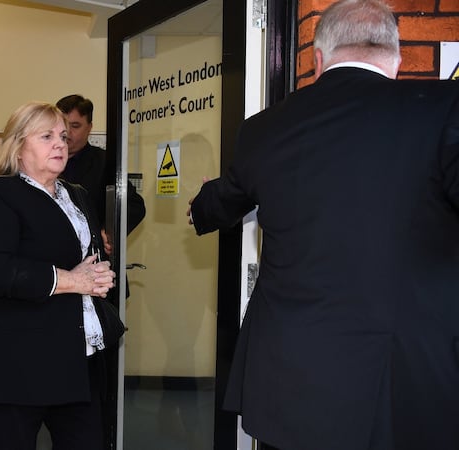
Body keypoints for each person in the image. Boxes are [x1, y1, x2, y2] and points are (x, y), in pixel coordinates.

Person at [187, 1, 459, 449]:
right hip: (403, 383)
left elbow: (223, 198)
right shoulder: (442, 110)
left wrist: (199, 207)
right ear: (397, 55)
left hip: (290, 380)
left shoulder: (264, 128)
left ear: (317, 58)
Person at [0, 101, 117, 450]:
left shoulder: (76, 195)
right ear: (18, 146)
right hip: (14, 365)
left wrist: (99, 275)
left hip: (77, 361)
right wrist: (73, 281)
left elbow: (83, 258)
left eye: (63, 136)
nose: (60, 143)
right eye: (46, 136)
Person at [56, 94, 145, 236]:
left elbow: (135, 206)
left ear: (89, 127)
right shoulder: (41, 160)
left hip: (90, 252)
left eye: (75, 126)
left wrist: (109, 230)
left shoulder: (104, 162)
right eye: (62, 125)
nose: (67, 132)